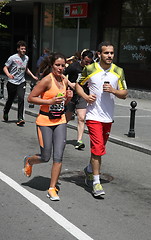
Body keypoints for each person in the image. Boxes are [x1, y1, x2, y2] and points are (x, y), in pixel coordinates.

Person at [76, 41, 128, 197]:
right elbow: (78, 85)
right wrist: (85, 96)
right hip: (93, 116)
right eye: (106, 53)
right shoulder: (90, 68)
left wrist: (113, 90)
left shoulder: (118, 71)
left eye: (112, 53)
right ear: (99, 54)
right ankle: (96, 183)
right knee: (98, 149)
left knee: (99, 149)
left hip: (108, 117)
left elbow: (125, 93)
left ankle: (89, 170)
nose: (110, 55)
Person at [23, 52, 73, 201]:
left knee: (58, 156)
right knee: (45, 157)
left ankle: (52, 188)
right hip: (44, 122)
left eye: (63, 65)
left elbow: (62, 104)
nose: (60, 68)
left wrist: (68, 99)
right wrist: (49, 102)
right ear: (52, 65)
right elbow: (31, 98)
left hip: (60, 120)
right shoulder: (46, 80)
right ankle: (29, 160)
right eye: (58, 65)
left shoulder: (64, 80)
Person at [3, 40, 38, 126]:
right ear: (18, 49)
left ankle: (20, 118)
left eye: (25, 49)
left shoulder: (26, 58)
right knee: (10, 99)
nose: (24, 51)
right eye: (22, 49)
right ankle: (6, 111)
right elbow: (5, 67)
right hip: (12, 82)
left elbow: (26, 69)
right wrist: (8, 74)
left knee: (21, 98)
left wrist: (33, 76)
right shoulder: (12, 58)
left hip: (21, 82)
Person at [64, 50, 93, 150]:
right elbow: (62, 74)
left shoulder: (92, 68)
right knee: (67, 118)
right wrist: (69, 83)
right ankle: (60, 137)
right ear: (82, 59)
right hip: (72, 95)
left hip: (83, 95)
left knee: (81, 118)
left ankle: (79, 141)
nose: (87, 64)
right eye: (86, 61)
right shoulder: (74, 66)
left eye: (89, 62)